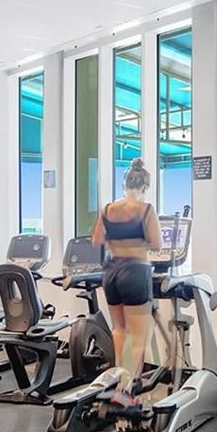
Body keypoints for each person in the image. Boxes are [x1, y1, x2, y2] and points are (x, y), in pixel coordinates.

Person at [91, 158, 159, 388]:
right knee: (137, 336)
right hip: (136, 271)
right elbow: (157, 243)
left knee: (119, 330)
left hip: (111, 272)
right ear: (145, 187)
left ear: (124, 185)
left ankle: (118, 380)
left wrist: (118, 238)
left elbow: (97, 240)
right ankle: (125, 388)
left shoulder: (107, 209)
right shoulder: (146, 210)